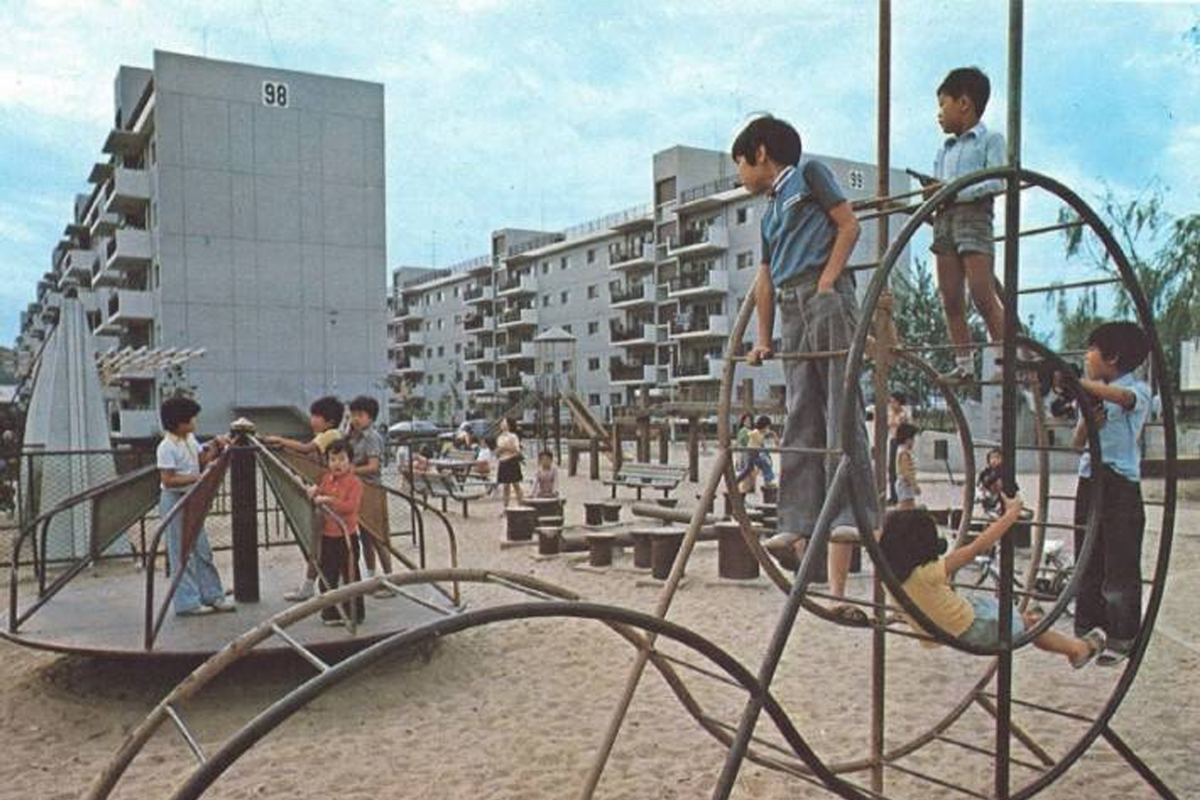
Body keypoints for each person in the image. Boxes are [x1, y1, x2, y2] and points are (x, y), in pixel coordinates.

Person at [734, 114, 876, 614]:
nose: (740, 176)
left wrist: (828, 281)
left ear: (761, 153)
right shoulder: (769, 212)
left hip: (824, 294)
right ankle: (795, 519)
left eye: (740, 164)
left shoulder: (809, 175)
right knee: (800, 412)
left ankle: (852, 514)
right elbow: (765, 279)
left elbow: (849, 225)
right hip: (792, 302)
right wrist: (762, 338)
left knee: (840, 404)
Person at [880, 499, 1105, 667]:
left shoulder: (889, 576)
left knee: (1022, 619)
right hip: (972, 626)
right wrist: (1011, 515)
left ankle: (1029, 620)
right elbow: (977, 546)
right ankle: (1078, 649)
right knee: (1030, 625)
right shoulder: (926, 574)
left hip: (950, 624)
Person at [1070, 321, 1152, 666]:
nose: (1086, 356)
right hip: (1090, 480)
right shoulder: (1091, 394)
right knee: (1087, 556)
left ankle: (1122, 635)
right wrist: (1090, 423)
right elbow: (1076, 443)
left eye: (1091, 350)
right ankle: (1089, 629)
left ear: (1113, 357)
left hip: (1120, 484)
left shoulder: (1137, 389)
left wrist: (1078, 383)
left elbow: (1124, 399)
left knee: (1120, 562)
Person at [928, 67, 1008, 381]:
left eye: (942, 105)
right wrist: (934, 193)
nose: (939, 114)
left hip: (974, 216)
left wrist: (956, 192)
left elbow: (998, 181)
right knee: (950, 296)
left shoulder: (989, 140)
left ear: (964, 103)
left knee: (981, 293)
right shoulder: (943, 151)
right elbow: (939, 187)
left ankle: (1004, 358)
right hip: (944, 219)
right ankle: (964, 363)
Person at [156, 396, 236, 617]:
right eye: (191, 419)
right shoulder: (166, 447)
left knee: (202, 549)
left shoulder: (189, 439)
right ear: (180, 422)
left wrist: (216, 447)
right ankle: (187, 602)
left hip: (191, 498)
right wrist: (197, 477)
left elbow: (200, 458)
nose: (195, 422)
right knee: (181, 552)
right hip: (174, 499)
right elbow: (168, 479)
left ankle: (212, 594)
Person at [261, 395, 345, 602]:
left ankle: (313, 586)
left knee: (320, 543)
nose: (312, 419)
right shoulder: (326, 436)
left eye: (316, 416)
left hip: (329, 495)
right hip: (328, 493)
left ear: (330, 421)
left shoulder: (331, 434)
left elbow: (306, 449)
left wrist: (280, 440)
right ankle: (322, 584)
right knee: (323, 542)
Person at [306, 440, 365, 626]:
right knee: (328, 574)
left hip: (347, 537)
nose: (337, 464)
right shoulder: (326, 479)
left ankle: (355, 613)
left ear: (350, 462)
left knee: (351, 575)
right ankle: (330, 613)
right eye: (332, 459)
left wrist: (328, 500)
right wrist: (313, 491)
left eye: (341, 459)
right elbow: (317, 494)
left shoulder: (355, 483)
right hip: (328, 536)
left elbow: (350, 507)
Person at [346, 395, 393, 586]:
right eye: (353, 415)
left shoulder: (372, 437)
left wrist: (352, 470)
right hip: (358, 490)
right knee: (365, 537)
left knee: (378, 538)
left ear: (371, 418)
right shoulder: (352, 437)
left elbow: (373, 466)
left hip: (372, 491)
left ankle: (390, 579)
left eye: (360, 415)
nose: (355, 419)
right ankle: (372, 577)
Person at [735, 415, 777, 491]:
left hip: (755, 454)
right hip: (751, 453)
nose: (768, 428)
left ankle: (736, 482)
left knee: (753, 468)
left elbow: (761, 444)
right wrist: (767, 434)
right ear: (764, 426)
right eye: (767, 427)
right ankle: (767, 481)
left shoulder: (759, 433)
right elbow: (757, 439)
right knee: (760, 465)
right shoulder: (756, 432)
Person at [886, 392, 911, 504]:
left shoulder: (903, 415)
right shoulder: (891, 413)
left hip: (900, 442)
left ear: (899, 403)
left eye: (893, 402)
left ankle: (902, 496)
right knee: (892, 469)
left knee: (900, 469)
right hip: (893, 441)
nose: (891, 405)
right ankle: (893, 496)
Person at [496, 418, 524, 509]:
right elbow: (498, 452)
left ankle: (521, 504)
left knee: (516, 484)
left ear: (509, 425)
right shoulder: (499, 437)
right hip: (503, 461)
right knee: (505, 486)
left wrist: (506, 448)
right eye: (501, 423)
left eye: (504, 423)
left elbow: (517, 450)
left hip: (512, 461)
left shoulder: (513, 436)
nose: (502, 425)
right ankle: (506, 507)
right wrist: (499, 451)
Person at [893, 422, 920, 509]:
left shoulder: (902, 450)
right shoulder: (904, 453)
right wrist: (914, 485)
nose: (914, 442)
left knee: (908, 506)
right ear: (907, 439)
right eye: (913, 439)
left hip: (905, 485)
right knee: (907, 507)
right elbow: (906, 472)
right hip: (905, 485)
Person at [977, 448, 1004, 518]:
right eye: (992, 458)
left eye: (997, 457)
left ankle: (998, 508)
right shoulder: (985, 472)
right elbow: (980, 484)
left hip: (1000, 497)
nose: (994, 460)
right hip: (988, 495)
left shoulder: (1003, 471)